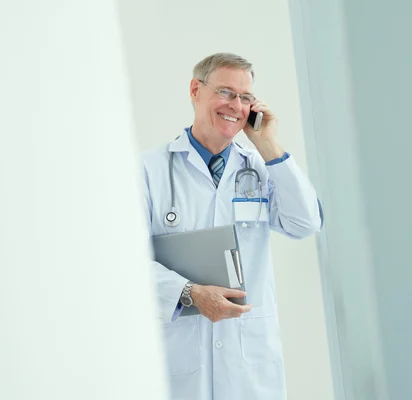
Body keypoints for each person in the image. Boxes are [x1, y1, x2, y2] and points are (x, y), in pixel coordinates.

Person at [142, 52, 322, 400]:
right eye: (225, 92)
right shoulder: (149, 170)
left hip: (248, 365)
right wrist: (189, 293)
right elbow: (123, 262)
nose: (236, 106)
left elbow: (305, 222)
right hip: (181, 364)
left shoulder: (262, 166)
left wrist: (268, 145)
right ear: (196, 90)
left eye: (246, 98)